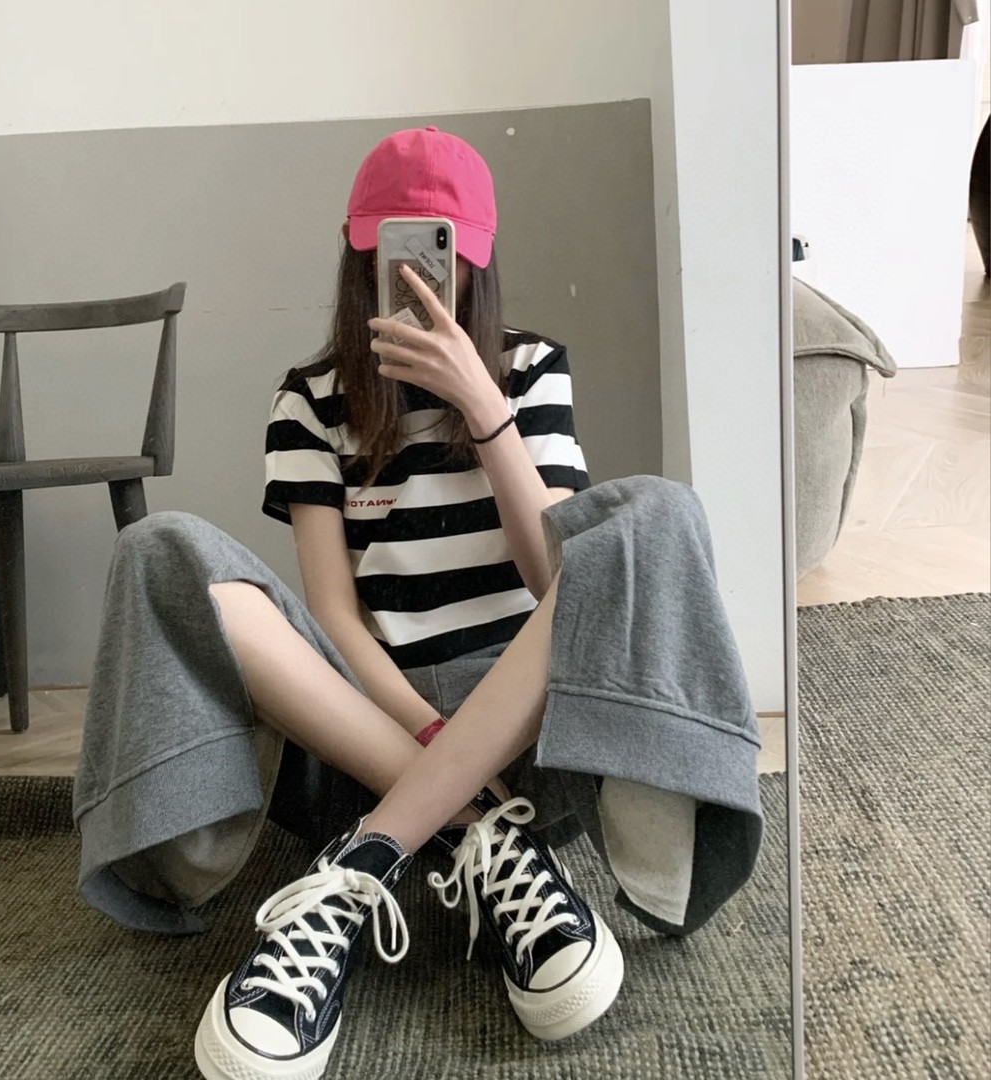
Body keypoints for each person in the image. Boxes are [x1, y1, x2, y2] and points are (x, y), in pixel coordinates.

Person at [72, 127, 764, 1080]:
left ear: (479, 260)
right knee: (161, 550)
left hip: (527, 731)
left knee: (652, 513)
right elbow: (334, 613)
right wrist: (430, 740)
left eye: (442, 256)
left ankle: (366, 860)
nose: (415, 280)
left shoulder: (530, 369)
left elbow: (558, 582)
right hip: (366, 720)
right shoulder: (309, 400)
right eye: (390, 254)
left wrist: (487, 411)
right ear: (356, 253)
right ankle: (478, 831)